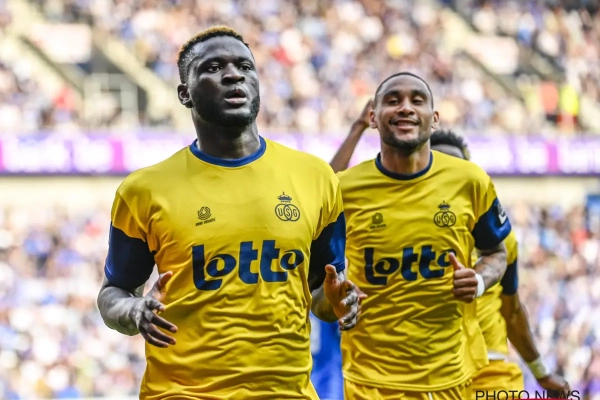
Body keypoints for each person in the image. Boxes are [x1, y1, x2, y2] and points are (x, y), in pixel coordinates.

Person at [96, 25, 364, 400]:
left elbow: (322, 295)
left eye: (244, 66)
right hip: (182, 393)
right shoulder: (143, 190)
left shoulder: (316, 178)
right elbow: (114, 293)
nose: (233, 74)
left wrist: (336, 302)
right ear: (184, 94)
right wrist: (134, 310)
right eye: (213, 67)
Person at [336, 72, 511, 400]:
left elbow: (496, 253)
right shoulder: (344, 189)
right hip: (369, 381)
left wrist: (479, 280)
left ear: (435, 118)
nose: (405, 107)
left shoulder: (471, 181)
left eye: (417, 100)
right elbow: (319, 279)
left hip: (450, 376)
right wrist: (335, 296)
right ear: (372, 117)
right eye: (393, 101)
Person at [428, 130, 570, 399]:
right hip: (428, 373)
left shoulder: (500, 239)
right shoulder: (400, 233)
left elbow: (511, 310)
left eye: (457, 171)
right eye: (440, 169)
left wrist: (541, 372)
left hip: (490, 373)